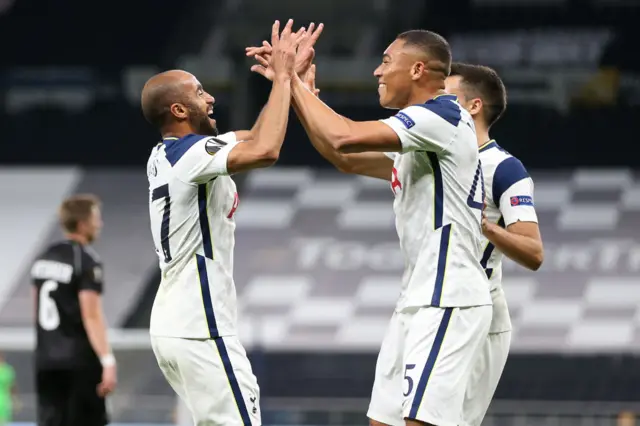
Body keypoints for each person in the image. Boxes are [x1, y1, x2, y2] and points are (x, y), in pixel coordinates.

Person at [247, 29, 492, 426]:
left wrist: (290, 79)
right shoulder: (422, 138)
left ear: (416, 69)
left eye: (386, 61)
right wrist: (296, 87)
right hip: (418, 297)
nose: (377, 71)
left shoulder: (442, 116)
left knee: (420, 423)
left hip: (449, 297)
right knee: (384, 422)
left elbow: (343, 137)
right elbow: (345, 158)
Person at [140, 19, 307, 426]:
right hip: (201, 325)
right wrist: (284, 78)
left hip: (176, 325)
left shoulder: (171, 154)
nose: (211, 97)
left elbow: (256, 135)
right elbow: (266, 150)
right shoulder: (192, 155)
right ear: (179, 110)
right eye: (199, 92)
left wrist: (284, 83)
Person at [445, 62, 544, 426]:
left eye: (446, 96)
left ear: (473, 106)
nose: (435, 103)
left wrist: (485, 227)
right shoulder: (436, 155)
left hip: (479, 313)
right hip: (434, 304)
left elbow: (533, 252)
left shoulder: (505, 169)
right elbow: (346, 155)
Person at [31, 194, 116, 426]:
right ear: (82, 224)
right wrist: (107, 360)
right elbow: (92, 315)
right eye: (96, 218)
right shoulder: (85, 260)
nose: (100, 224)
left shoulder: (42, 258)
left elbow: (35, 309)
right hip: (79, 362)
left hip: (46, 361)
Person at [0, 353, 17, 426]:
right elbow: (13, 388)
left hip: (4, 403)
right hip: (5, 403)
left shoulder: (8, 371)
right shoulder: (9, 370)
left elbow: (12, 387)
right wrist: (15, 401)